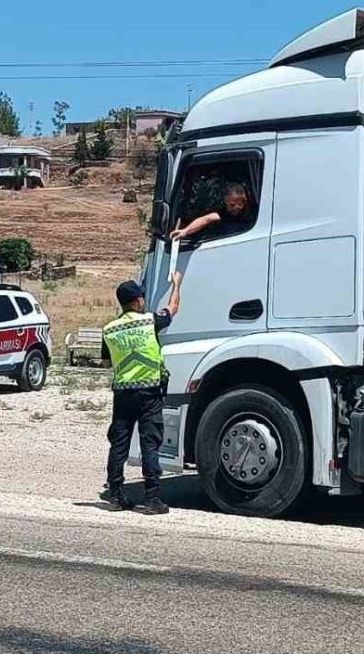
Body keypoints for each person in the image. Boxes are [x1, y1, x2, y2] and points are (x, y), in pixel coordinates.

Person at [99, 271, 183, 514]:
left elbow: (106, 363)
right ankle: (152, 499)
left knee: (119, 444)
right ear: (137, 301)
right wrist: (176, 284)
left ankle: (115, 496)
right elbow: (173, 307)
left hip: (123, 393)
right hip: (149, 392)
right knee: (150, 443)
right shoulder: (149, 321)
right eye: (142, 298)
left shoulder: (109, 329)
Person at [170, 181, 252, 241]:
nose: (235, 208)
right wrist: (185, 231)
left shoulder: (253, 214)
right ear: (225, 202)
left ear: (244, 201)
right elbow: (206, 219)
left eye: (239, 204)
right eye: (232, 205)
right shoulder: (223, 214)